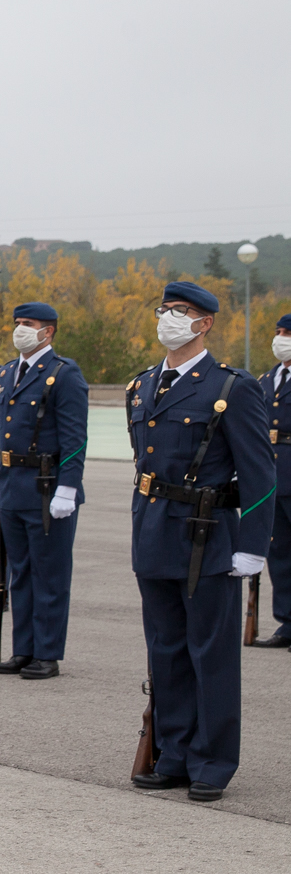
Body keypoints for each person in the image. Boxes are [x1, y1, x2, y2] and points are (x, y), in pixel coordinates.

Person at [126, 281, 271, 802]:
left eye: (180, 311)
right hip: (154, 533)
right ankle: (175, 754)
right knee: (165, 651)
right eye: (164, 308)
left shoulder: (232, 387)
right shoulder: (143, 385)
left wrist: (253, 544)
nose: (168, 317)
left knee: (210, 653)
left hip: (207, 537)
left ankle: (212, 761)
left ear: (204, 323)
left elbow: (259, 474)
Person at [0, 302, 88, 680]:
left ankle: (47, 652)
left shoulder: (63, 374)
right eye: (16, 324)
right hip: (12, 486)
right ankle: (22, 649)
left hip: (47, 490)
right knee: (21, 573)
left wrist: (68, 487)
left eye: (28, 324)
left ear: (48, 332)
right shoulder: (8, 373)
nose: (19, 330)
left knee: (50, 573)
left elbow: (76, 437)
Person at [253, 314, 291, 649]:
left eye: (288, 333)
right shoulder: (268, 378)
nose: (281, 338)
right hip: (274, 476)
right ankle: (287, 623)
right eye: (279, 332)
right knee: (278, 552)